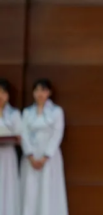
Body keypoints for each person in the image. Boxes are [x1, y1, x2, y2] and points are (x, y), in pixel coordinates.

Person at [20, 79, 68, 215]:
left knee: (48, 189)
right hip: (31, 157)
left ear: (49, 93)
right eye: (37, 90)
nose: (40, 94)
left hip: (49, 157)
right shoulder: (27, 112)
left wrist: (46, 156)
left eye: (43, 90)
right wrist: (30, 155)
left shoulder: (56, 111)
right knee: (31, 191)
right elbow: (23, 134)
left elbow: (57, 134)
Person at [0, 79, 21, 215]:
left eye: (3, 93)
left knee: (7, 187)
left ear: (8, 95)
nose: (0, 96)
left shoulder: (14, 114)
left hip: (8, 154)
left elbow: (20, 136)